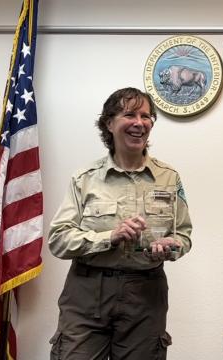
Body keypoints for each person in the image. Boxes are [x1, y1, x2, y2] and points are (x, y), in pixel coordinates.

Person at [48, 87, 192, 359]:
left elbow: (183, 235)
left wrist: (172, 246)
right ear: (109, 123)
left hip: (146, 294)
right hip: (87, 292)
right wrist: (108, 237)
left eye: (146, 116)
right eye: (129, 114)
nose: (140, 123)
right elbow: (58, 239)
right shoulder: (85, 178)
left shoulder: (169, 177)